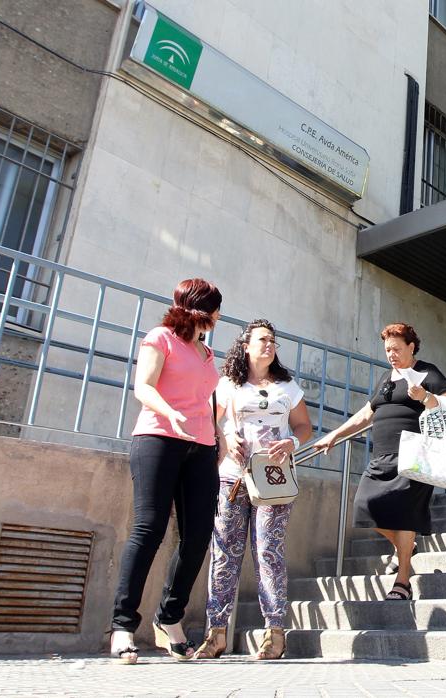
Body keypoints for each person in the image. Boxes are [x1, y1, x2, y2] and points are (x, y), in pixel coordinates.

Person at [109, 278, 223, 664]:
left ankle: (169, 618)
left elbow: (207, 401)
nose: (219, 315)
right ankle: (123, 626)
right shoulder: (161, 337)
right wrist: (169, 411)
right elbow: (143, 386)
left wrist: (219, 437)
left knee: (198, 536)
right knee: (149, 529)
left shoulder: (206, 353)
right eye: (216, 308)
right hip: (158, 438)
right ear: (202, 309)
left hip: (202, 448)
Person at [194, 320, 313, 661]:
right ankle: (216, 634)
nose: (269, 345)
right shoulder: (228, 383)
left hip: (273, 480)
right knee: (224, 554)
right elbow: (211, 421)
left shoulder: (288, 386)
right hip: (232, 478)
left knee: (268, 552)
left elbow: (304, 426)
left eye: (273, 340)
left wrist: (291, 441)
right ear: (246, 345)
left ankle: (275, 633)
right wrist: (227, 435)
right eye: (262, 339)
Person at [312, 323, 446, 602]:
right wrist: (334, 435)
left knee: (405, 517)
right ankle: (405, 548)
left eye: (396, 349)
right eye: (387, 349)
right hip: (382, 457)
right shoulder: (386, 378)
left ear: (411, 347)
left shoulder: (428, 372)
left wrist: (424, 397)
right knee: (364, 505)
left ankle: (403, 581)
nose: (391, 354)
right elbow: (367, 414)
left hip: (415, 455)